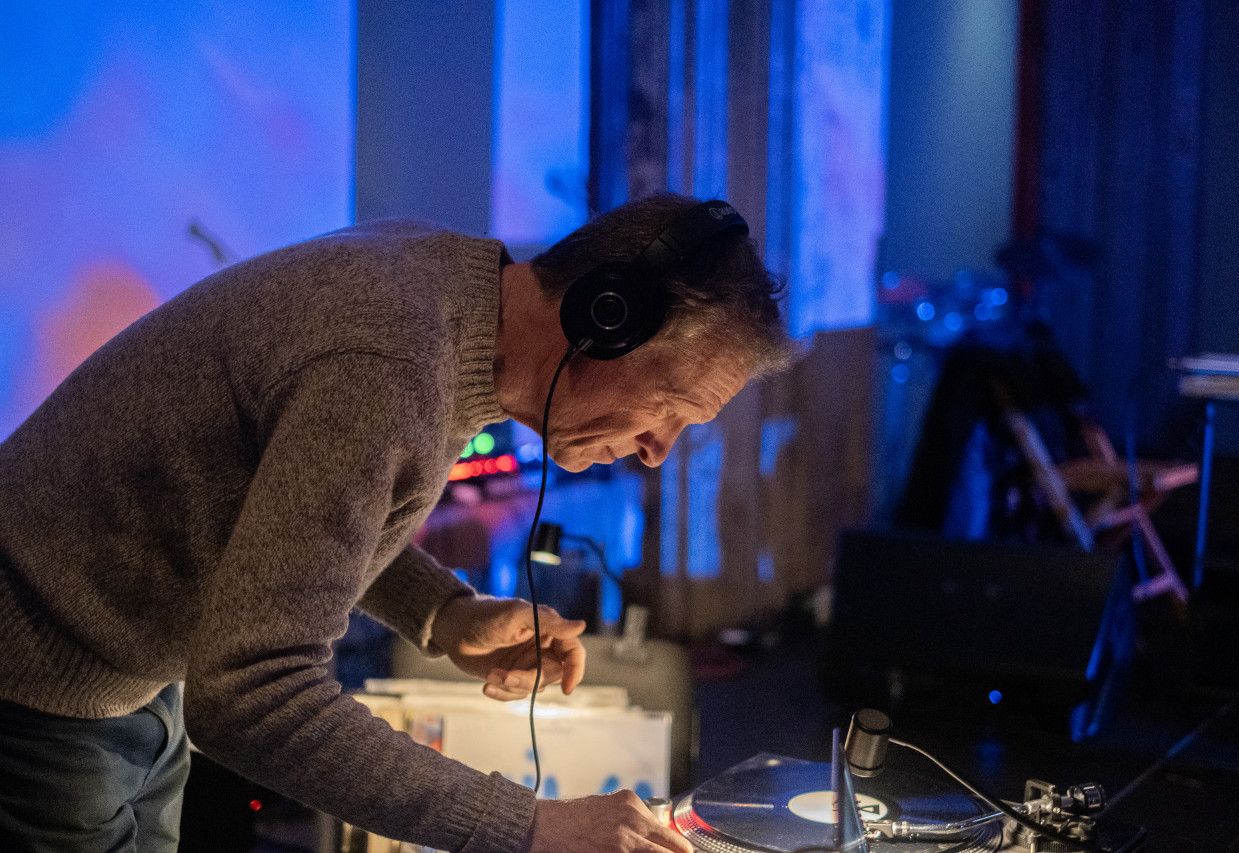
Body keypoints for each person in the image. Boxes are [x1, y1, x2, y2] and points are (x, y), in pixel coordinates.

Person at [0, 192, 792, 852]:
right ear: (606, 316)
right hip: (37, 697)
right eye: (672, 408)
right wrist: (534, 825)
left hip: (125, 683)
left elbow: (299, 500)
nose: (656, 450)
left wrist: (443, 610)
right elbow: (253, 696)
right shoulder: (390, 363)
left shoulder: (440, 287)